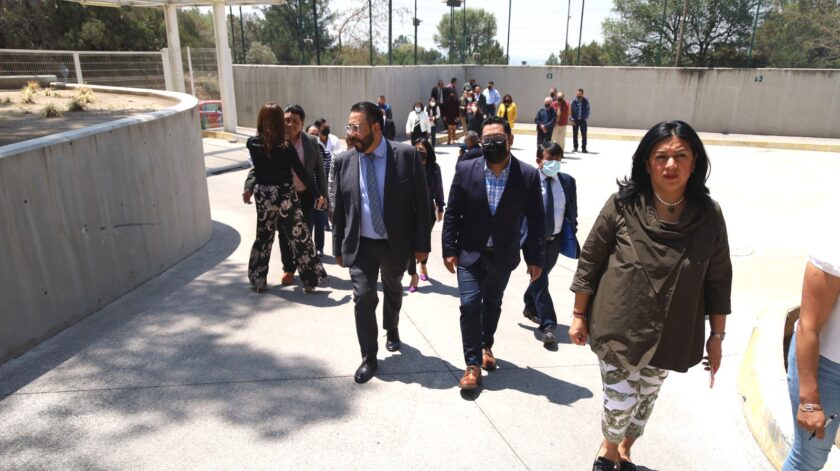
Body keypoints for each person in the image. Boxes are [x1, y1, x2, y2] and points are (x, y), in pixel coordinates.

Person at [568, 120, 732, 471]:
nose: (671, 165)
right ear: (646, 163)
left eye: (681, 156)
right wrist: (579, 315)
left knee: (645, 399)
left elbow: (719, 280)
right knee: (621, 401)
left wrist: (716, 337)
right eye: (661, 157)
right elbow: (591, 260)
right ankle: (608, 450)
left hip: (673, 330)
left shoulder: (710, 216)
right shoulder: (622, 205)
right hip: (619, 326)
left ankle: (625, 449)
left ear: (695, 161)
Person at [443, 115, 546, 390]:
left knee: (492, 304)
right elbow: (453, 212)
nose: (492, 144)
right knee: (469, 305)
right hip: (470, 252)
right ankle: (472, 365)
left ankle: (486, 344)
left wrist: (535, 258)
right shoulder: (466, 169)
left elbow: (536, 219)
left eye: (497, 139)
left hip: (503, 254)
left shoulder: (527, 175)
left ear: (510, 140)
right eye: (486, 140)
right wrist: (448, 248)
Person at [332, 101, 431, 384]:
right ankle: (369, 357)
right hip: (361, 244)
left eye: (356, 128)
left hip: (394, 243)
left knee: (393, 289)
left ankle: (392, 326)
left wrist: (421, 246)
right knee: (363, 297)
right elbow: (339, 209)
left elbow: (422, 204)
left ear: (375, 128)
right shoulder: (343, 161)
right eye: (349, 127)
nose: (350, 134)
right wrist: (337, 246)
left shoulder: (406, 156)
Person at [244, 103, 328, 293]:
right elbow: (302, 173)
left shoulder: (252, 143)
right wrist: (317, 193)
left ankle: (258, 279)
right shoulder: (286, 146)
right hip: (284, 196)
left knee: (263, 238)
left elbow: (258, 168)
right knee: (299, 237)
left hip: (264, 196)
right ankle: (310, 281)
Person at [782, 246, 840, 471]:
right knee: (807, 461)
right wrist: (810, 402)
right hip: (827, 371)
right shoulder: (833, 246)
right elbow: (808, 326)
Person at [522, 141, 579, 344]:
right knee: (540, 279)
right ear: (539, 161)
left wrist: (573, 228)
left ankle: (529, 303)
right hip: (533, 241)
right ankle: (548, 325)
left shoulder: (567, 182)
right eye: (549, 159)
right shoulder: (528, 181)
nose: (554, 162)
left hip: (555, 239)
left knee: (541, 275)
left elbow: (572, 209)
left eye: (557, 159)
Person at [406, 138, 444, 292]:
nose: (419, 152)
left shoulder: (434, 168)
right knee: (409, 243)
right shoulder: (407, 165)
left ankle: (423, 265)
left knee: (423, 240)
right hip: (409, 210)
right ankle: (413, 274)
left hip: (428, 211)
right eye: (416, 149)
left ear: (428, 151)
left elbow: (438, 188)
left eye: (422, 149)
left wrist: (440, 207)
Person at [307, 124, 332, 256]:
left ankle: (319, 248)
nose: (314, 136)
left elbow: (326, 174)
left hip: (320, 194)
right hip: (306, 193)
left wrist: (326, 195)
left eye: (317, 134)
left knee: (320, 221)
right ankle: (307, 248)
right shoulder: (301, 151)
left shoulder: (325, 152)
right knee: (307, 221)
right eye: (311, 134)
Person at [571, 88, 591, 153]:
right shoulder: (573, 101)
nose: (578, 95)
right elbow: (570, 111)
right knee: (575, 134)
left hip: (583, 120)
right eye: (577, 94)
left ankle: (584, 148)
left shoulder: (586, 101)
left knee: (584, 134)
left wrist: (586, 117)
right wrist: (571, 119)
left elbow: (588, 110)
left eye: (580, 94)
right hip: (575, 120)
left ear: (582, 94)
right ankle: (575, 147)